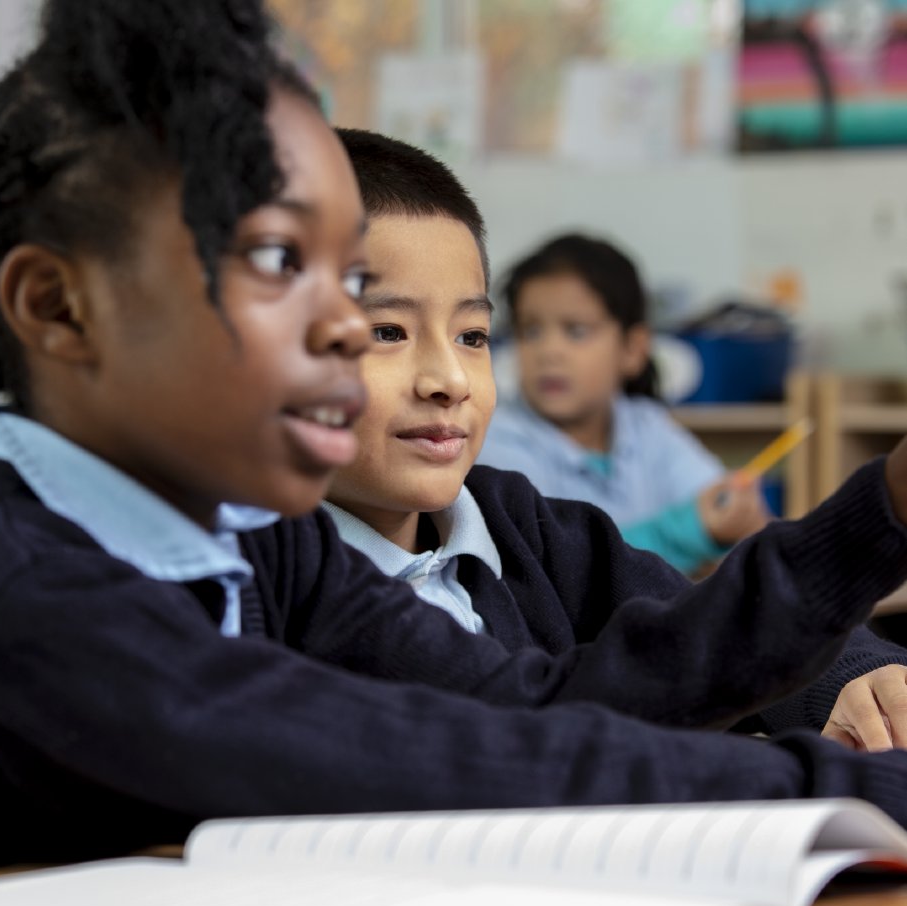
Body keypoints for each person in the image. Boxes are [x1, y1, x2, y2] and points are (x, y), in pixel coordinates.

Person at [0, 0, 907, 880]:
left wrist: (884, 512)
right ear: (56, 307)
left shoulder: (261, 541)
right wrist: (859, 795)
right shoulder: (20, 593)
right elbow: (463, 764)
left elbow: (537, 711)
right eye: (280, 260)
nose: (347, 329)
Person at [324, 126, 907, 746]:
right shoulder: (269, 588)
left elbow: (694, 627)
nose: (449, 380)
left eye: (473, 336)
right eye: (387, 331)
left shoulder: (523, 526)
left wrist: (854, 677)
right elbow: (536, 742)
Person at [475, 232, 770, 575]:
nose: (549, 352)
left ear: (632, 349)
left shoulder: (646, 427)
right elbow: (556, 571)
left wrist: (738, 513)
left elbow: (716, 500)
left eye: (576, 330)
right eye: (531, 331)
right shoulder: (497, 443)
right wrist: (683, 533)